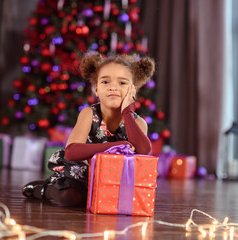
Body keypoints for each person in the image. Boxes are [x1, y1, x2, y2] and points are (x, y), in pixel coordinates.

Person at [22, 52, 156, 207]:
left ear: (133, 90)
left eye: (122, 83)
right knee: (71, 197)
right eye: (106, 82)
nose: (113, 87)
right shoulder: (89, 114)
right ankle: (44, 189)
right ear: (97, 89)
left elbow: (143, 151)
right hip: (81, 175)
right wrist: (114, 146)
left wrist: (127, 112)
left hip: (114, 180)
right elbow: (71, 152)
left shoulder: (138, 123)